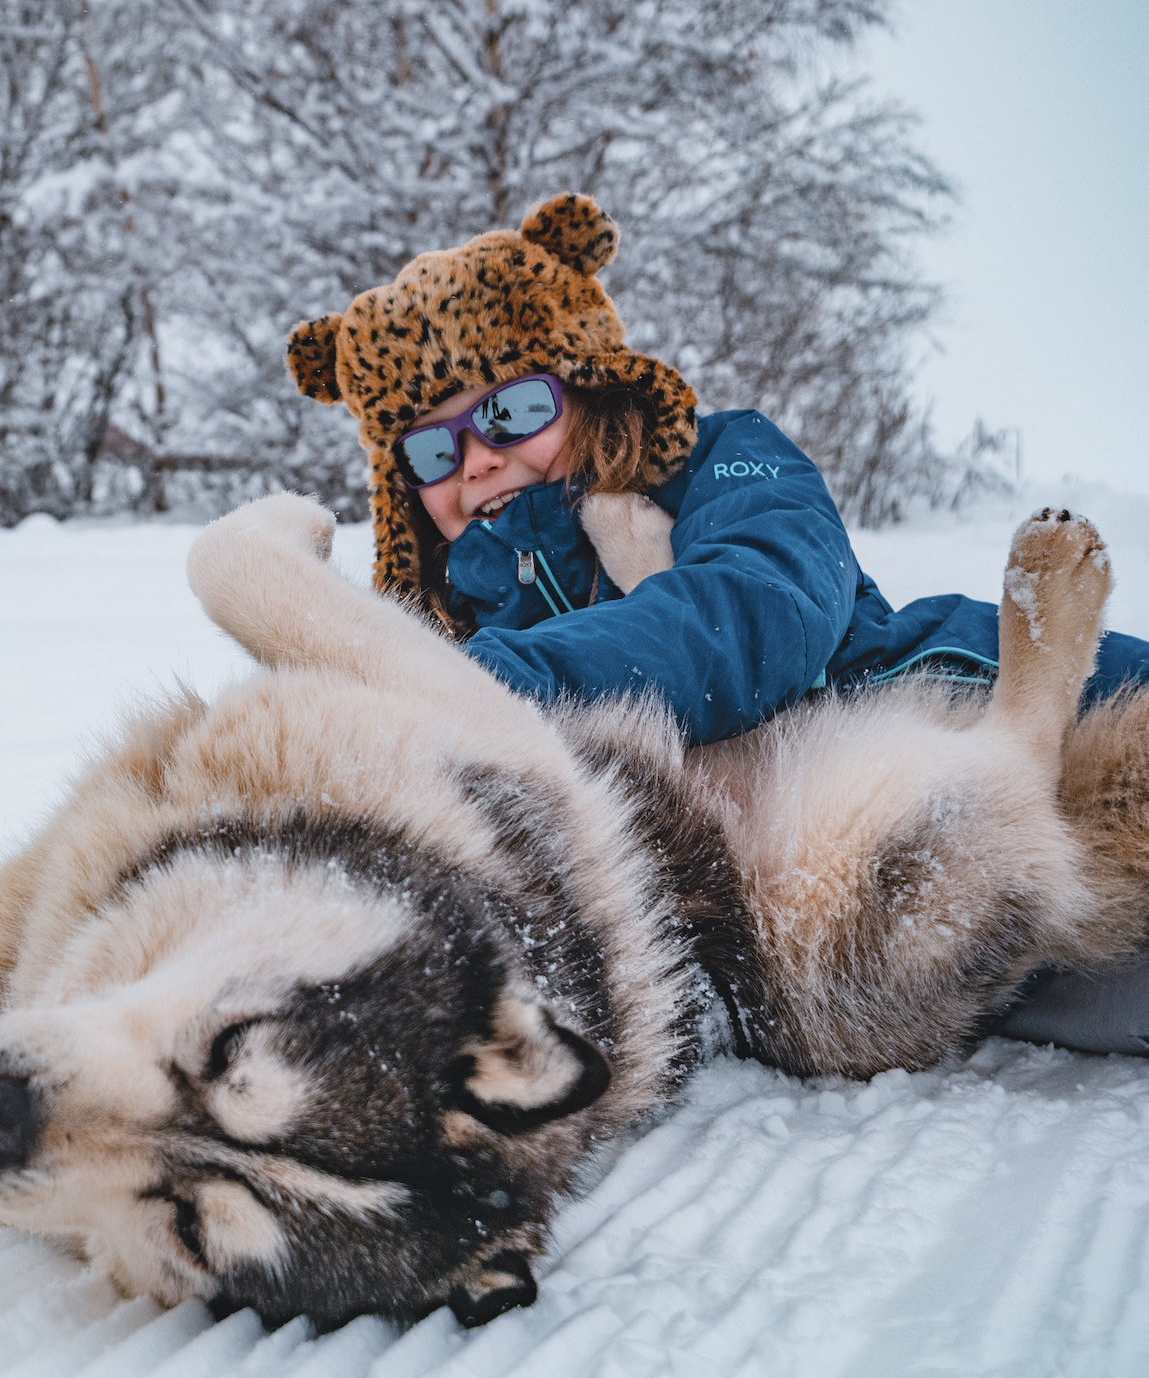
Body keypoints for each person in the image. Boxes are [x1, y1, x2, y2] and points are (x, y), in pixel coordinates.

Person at [285, 191, 1149, 1057]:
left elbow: (762, 604)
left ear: (586, 388)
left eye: (511, 411)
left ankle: (1026, 752)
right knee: (1009, 971)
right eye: (432, 451)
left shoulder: (716, 461)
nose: (477, 458)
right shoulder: (461, 636)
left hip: (943, 708)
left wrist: (496, 688)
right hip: (840, 897)